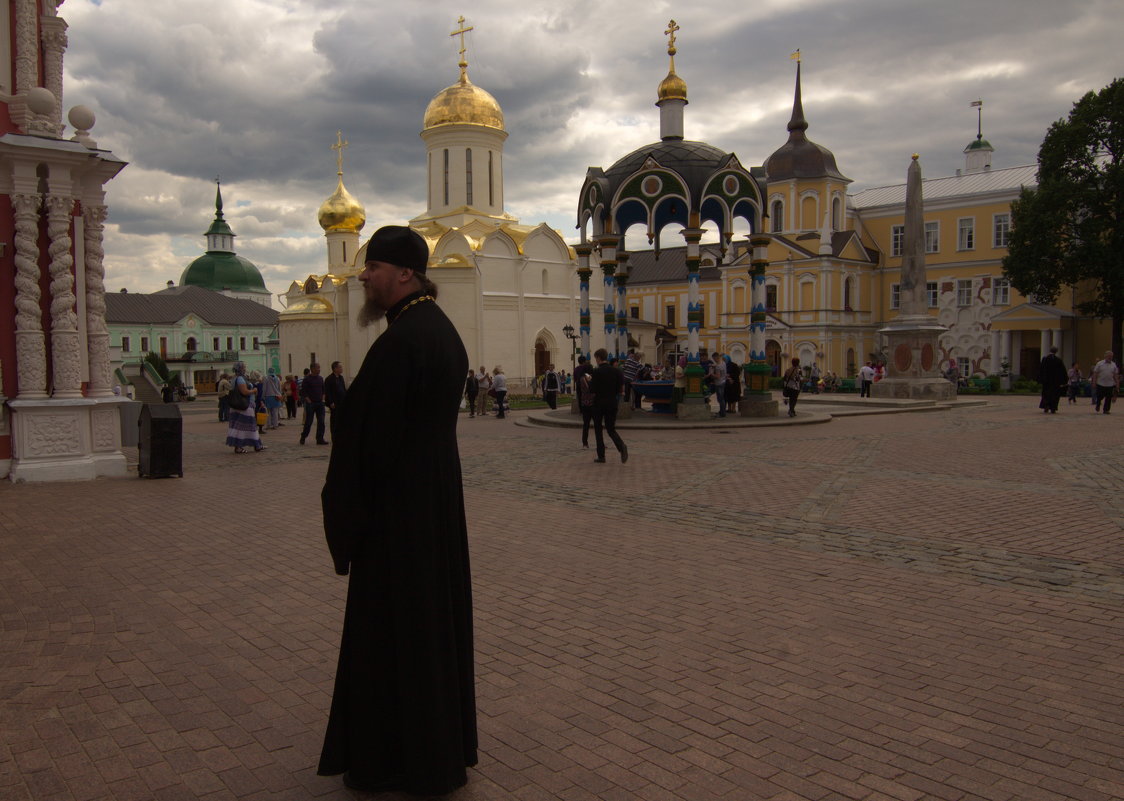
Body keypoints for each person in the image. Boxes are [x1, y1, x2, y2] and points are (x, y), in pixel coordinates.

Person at [318, 225, 476, 795]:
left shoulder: (404, 340)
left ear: (405, 273)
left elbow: (369, 439)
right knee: (427, 629)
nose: (363, 275)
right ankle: (434, 751)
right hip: (428, 508)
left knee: (396, 635)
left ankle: (394, 759)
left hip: (398, 520)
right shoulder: (438, 331)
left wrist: (350, 520)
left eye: (374, 267)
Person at [590, 347, 627, 464]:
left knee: (598, 429)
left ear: (598, 358)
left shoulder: (597, 371)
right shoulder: (616, 371)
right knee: (611, 429)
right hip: (612, 402)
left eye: (596, 358)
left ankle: (601, 456)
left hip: (599, 403)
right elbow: (620, 389)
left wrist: (589, 380)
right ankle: (621, 446)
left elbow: (592, 389)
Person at [225, 361, 266, 453]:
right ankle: (241, 446)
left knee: (242, 426)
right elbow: (244, 392)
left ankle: (257, 444)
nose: (245, 369)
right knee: (245, 426)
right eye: (244, 367)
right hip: (244, 405)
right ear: (240, 369)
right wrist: (254, 390)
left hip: (238, 405)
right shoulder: (240, 379)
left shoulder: (235, 378)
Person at [300, 363, 328, 445]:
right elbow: (303, 391)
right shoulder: (307, 379)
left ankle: (320, 438)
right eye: (317, 368)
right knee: (308, 422)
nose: (319, 369)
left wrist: (323, 398)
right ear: (312, 369)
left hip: (320, 403)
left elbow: (323, 390)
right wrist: (308, 400)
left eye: (319, 368)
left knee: (321, 421)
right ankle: (304, 436)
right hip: (311, 404)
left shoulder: (320, 378)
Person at [1038, 346, 1068, 414]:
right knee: (1055, 395)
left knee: (1046, 394)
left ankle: (1046, 405)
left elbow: (1041, 370)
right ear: (1056, 351)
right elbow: (1062, 371)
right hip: (1055, 382)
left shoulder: (1045, 359)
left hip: (1047, 381)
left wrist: (1041, 379)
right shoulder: (1058, 360)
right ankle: (1053, 407)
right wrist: (1064, 381)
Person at [573, 354, 594, 447]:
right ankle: (598, 442)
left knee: (586, 424)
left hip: (584, 402)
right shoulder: (589, 378)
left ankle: (585, 442)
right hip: (592, 403)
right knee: (597, 424)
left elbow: (575, 379)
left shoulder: (578, 372)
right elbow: (592, 389)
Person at [324, 361, 348, 438]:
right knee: (334, 420)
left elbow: (343, 389)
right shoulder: (329, 379)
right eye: (340, 367)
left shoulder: (341, 378)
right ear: (335, 368)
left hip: (342, 402)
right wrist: (331, 402)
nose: (341, 369)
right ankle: (334, 436)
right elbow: (328, 392)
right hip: (334, 403)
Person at [708, 351, 727, 417]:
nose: (714, 360)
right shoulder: (723, 363)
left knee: (720, 399)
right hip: (723, 381)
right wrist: (713, 365)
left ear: (716, 357)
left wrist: (711, 374)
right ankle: (722, 412)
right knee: (722, 398)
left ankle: (722, 414)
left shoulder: (718, 367)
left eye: (714, 358)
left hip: (718, 383)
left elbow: (717, 376)